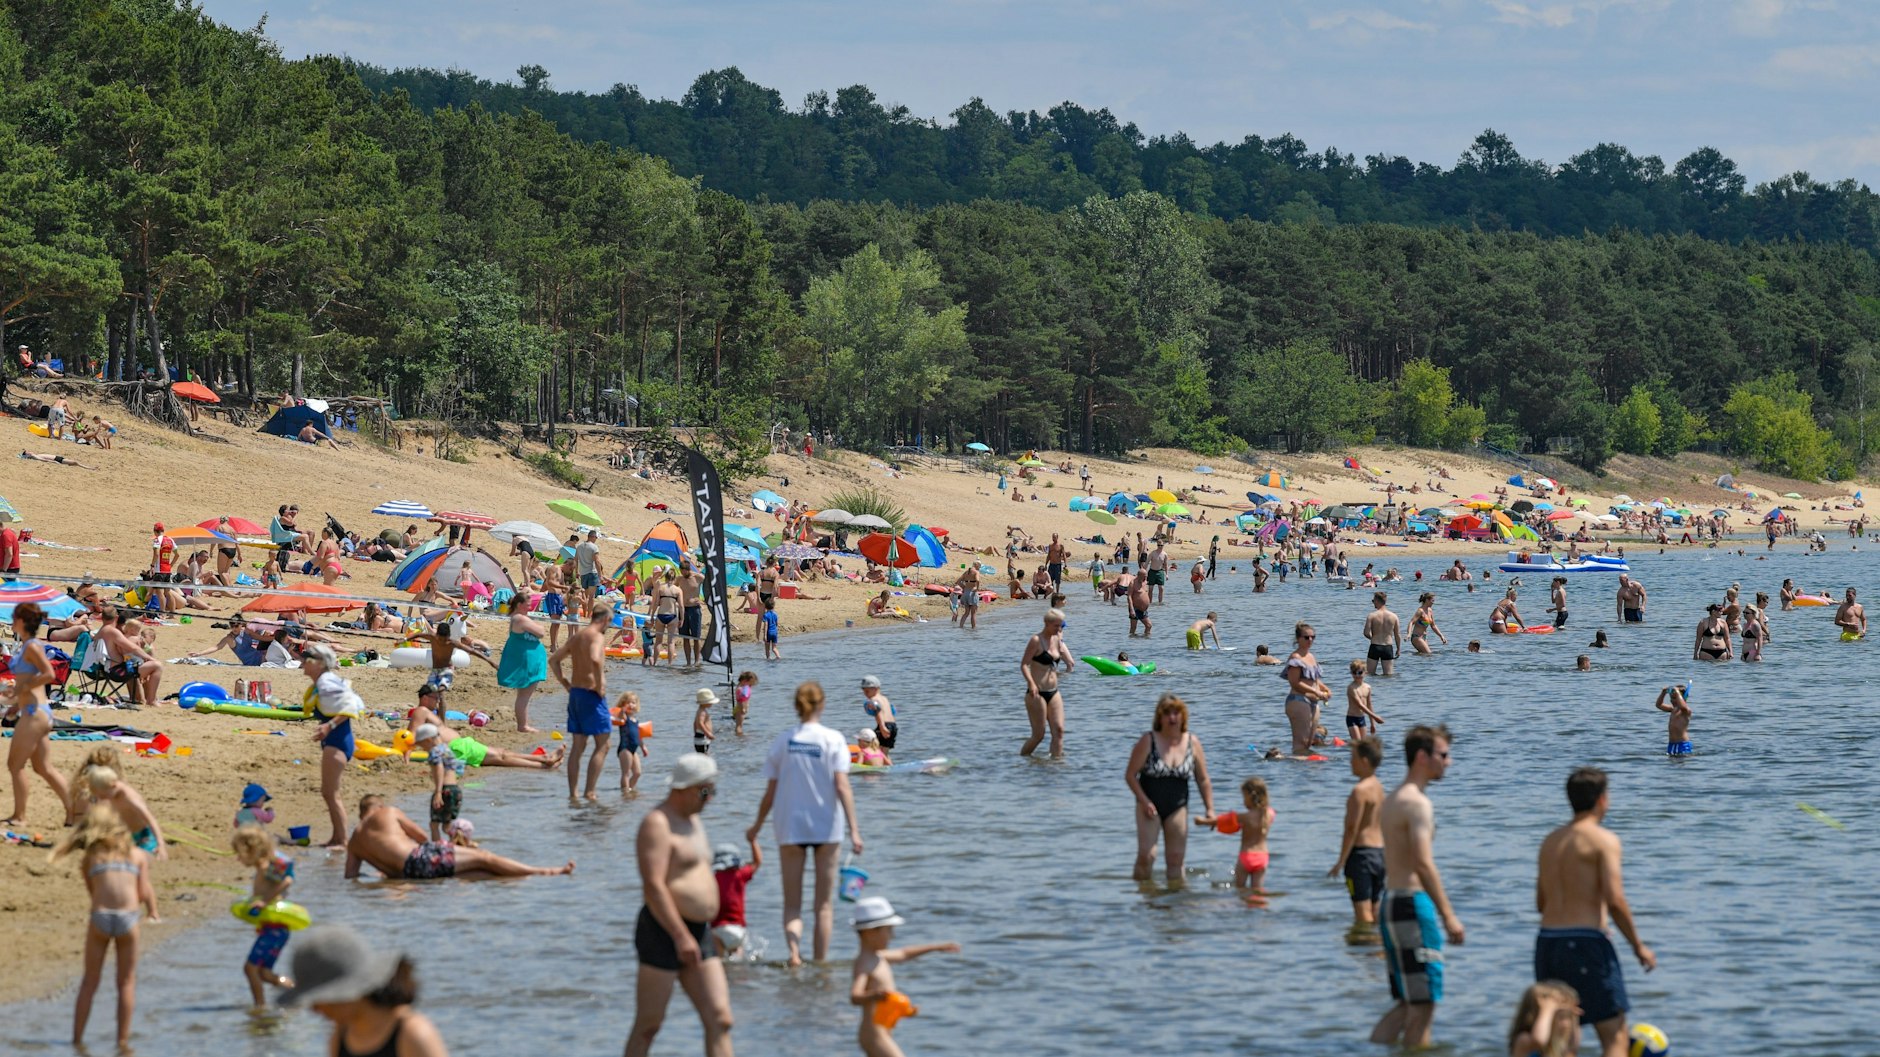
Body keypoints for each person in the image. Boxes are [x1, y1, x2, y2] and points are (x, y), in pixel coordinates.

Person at [1534, 767, 1656, 1057]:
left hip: (1548, 944)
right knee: (1615, 1037)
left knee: (1561, 1041)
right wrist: (1638, 946)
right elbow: (1615, 900)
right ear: (1602, 799)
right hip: (1587, 944)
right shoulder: (1604, 840)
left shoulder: (1550, 841)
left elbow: (1541, 904)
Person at [626, 753, 735, 1057]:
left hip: (700, 931)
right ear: (683, 788)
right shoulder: (657, 824)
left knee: (720, 1018)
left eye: (712, 791)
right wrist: (679, 935)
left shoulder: (694, 821)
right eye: (705, 791)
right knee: (650, 1024)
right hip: (663, 930)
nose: (709, 798)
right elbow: (653, 885)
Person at [747, 682, 863, 967]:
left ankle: (795, 956)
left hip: (790, 827)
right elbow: (842, 787)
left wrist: (756, 827)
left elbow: (770, 794)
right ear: (822, 705)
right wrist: (855, 831)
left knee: (792, 904)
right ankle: (821, 965)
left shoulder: (784, 741)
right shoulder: (833, 739)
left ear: (796, 706)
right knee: (823, 906)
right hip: (827, 828)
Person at [1371, 725, 1464, 1050]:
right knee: (1423, 1004)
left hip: (1391, 903)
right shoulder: (1417, 804)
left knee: (1408, 1002)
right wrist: (1449, 916)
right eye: (1443, 755)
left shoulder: (1394, 798)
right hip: (1411, 905)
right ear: (1422, 757)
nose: (1448, 762)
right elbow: (1423, 863)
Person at [54, 806, 156, 1049]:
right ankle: (122, 1042)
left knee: (90, 981)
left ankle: (77, 1041)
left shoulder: (91, 857)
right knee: (126, 982)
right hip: (128, 918)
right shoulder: (138, 855)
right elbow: (143, 892)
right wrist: (151, 911)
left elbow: (92, 891)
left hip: (100, 917)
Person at [277, 925, 450, 1057]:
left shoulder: (414, 1034)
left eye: (319, 998)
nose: (314, 1009)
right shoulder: (342, 1035)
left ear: (348, 992)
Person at [345, 795, 572, 881]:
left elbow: (351, 876)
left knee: (478, 873)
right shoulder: (388, 812)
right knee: (485, 857)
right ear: (379, 806)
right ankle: (544, 872)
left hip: (408, 874)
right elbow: (423, 836)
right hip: (418, 857)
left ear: (361, 813)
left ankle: (518, 879)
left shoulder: (353, 842)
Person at [850, 896, 960, 1057]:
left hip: (882, 1030)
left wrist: (936, 947)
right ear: (869, 932)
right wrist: (874, 996)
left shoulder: (879, 956)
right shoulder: (864, 963)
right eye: (888, 930)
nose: (892, 936)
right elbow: (855, 996)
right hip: (873, 1034)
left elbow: (904, 953)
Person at [1123, 694, 1216, 884]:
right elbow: (1130, 775)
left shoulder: (1192, 742)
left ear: (1183, 716)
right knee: (1147, 856)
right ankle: (1143, 897)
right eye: (1167, 714)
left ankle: (1175, 905)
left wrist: (1210, 809)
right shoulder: (1148, 741)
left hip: (1178, 806)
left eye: (1176, 713)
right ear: (1159, 717)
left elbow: (1203, 779)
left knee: (1175, 860)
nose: (1172, 718)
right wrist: (1144, 801)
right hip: (1149, 805)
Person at [6, 603, 72, 827]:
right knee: (43, 768)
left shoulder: (33, 646)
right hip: (34, 711)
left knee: (15, 765)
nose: (12, 622)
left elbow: (49, 673)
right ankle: (74, 813)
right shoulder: (27, 646)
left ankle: (20, 816)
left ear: (23, 621)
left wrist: (23, 690)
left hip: (34, 714)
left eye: (14, 618)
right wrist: (16, 702)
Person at [549, 607, 615, 801]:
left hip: (576, 693)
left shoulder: (578, 636)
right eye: (609, 624)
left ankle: (573, 795)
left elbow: (554, 660)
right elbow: (595, 659)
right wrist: (599, 684)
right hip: (591, 694)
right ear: (604, 620)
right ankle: (589, 792)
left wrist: (566, 684)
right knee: (603, 744)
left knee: (578, 746)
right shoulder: (596, 636)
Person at [302, 645, 362, 848]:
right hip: (336, 741)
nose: (303, 662)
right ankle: (336, 838)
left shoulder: (327, 682)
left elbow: (350, 706)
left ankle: (343, 839)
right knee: (328, 793)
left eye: (307, 659)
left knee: (331, 794)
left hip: (337, 742)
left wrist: (329, 726)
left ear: (319, 664)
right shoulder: (325, 681)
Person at [231, 826, 295, 1007]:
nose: (237, 858)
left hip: (275, 929)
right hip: (271, 928)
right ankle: (297, 993)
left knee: (250, 968)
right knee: (264, 974)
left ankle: (259, 1009)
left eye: (240, 853)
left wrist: (265, 901)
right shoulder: (262, 868)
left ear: (251, 850)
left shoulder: (268, 867)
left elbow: (287, 880)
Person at [1329, 735, 1387, 926]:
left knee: (1362, 915)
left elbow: (1351, 828)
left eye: (1352, 757)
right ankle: (1379, 951)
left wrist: (1341, 861)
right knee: (1376, 910)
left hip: (1361, 856)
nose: (1350, 762)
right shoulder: (1379, 787)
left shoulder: (1359, 791)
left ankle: (1364, 952)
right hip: (1380, 854)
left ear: (1364, 761)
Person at [493, 594, 550, 732]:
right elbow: (541, 632)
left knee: (524, 695)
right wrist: (538, 625)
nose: (531, 606)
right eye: (528, 604)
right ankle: (523, 726)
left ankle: (523, 724)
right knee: (524, 695)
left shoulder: (519, 617)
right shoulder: (519, 618)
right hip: (526, 661)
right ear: (519, 605)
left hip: (528, 659)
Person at [1019, 609, 1072, 758]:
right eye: (1056, 626)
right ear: (1046, 623)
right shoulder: (1036, 640)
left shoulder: (1057, 640)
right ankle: (1022, 760)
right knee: (1039, 735)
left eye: (1061, 625)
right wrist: (1031, 684)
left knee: (1059, 731)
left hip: (1054, 691)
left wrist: (1069, 663)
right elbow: (1024, 665)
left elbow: (1065, 659)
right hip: (1037, 693)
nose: (1059, 629)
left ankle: (1056, 767)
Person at [1281, 623, 1332, 757]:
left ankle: (1308, 774)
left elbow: (1313, 679)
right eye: (1306, 637)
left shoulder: (1311, 656)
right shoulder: (1295, 658)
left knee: (1309, 742)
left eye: (1313, 637)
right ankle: (1297, 772)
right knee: (1301, 743)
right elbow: (1295, 682)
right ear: (1298, 639)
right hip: (1298, 701)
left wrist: (1325, 689)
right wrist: (1317, 692)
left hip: (1314, 703)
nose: (1310, 640)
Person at [711, 836, 762, 957]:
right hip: (738, 929)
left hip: (718, 929)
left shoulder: (712, 878)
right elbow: (757, 862)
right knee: (738, 958)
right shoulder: (740, 875)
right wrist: (753, 841)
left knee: (720, 962)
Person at [1507, 981, 1582, 1057]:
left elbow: (1574, 1046)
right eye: (1562, 1017)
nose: (1566, 1024)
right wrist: (1548, 1009)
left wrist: (1575, 1021)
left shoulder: (1561, 1046)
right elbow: (1539, 1041)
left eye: (1569, 1016)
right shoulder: (1524, 1040)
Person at [1228, 777, 1273, 892]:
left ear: (1250, 797)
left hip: (1246, 857)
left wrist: (1202, 821)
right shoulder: (1269, 814)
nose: (1243, 801)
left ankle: (1243, 909)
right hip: (1262, 857)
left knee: (1239, 890)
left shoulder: (1244, 817)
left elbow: (1221, 821)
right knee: (1258, 891)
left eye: (1244, 797)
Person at [1345, 661, 1384, 744]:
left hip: (1361, 718)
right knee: (1357, 743)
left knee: (1363, 744)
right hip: (1352, 718)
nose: (1357, 675)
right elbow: (1360, 705)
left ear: (1365, 673)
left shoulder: (1368, 687)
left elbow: (1369, 705)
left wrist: (1372, 724)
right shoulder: (1351, 688)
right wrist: (1375, 717)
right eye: (1354, 673)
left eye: (1359, 672)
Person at [1364, 592, 1402, 675]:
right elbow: (1397, 635)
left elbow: (1366, 633)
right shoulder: (1394, 616)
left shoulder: (1372, 616)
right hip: (1387, 648)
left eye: (1373, 601)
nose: (1373, 603)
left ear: (1377, 601)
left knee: (1370, 674)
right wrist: (1398, 649)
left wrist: (1373, 638)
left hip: (1375, 646)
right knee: (1388, 675)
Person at [860, 675, 897, 750]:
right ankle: (887, 761)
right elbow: (892, 711)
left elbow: (878, 712)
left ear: (876, 689)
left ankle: (873, 760)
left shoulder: (874, 700)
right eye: (864, 691)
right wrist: (892, 727)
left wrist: (882, 727)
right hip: (893, 725)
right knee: (885, 749)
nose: (865, 694)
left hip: (884, 725)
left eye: (867, 691)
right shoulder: (884, 698)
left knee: (873, 746)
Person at [1654, 685, 1693, 755]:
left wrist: (1677, 692)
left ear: (1684, 698)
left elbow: (1683, 707)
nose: (1672, 700)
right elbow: (1658, 705)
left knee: (1681, 763)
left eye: (1675, 698)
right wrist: (1663, 693)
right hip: (1671, 744)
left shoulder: (1686, 711)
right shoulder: (1672, 709)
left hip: (1682, 744)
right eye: (1671, 698)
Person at [1127, 565, 1153, 637]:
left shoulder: (1145, 582)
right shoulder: (1133, 583)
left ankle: (1145, 641)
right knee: (1133, 628)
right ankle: (1131, 643)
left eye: (1146, 576)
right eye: (1144, 576)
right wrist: (1131, 609)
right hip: (1135, 608)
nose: (1145, 578)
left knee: (1149, 625)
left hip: (1143, 610)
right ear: (1138, 575)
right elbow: (1129, 596)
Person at [953, 564, 981, 630]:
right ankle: (973, 629)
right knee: (973, 614)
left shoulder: (966, 572)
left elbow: (958, 581)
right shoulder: (976, 572)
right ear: (977, 566)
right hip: (972, 593)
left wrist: (964, 587)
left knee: (966, 613)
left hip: (965, 593)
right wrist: (977, 588)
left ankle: (961, 627)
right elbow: (977, 580)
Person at [693, 688, 718, 755]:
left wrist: (696, 734)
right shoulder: (702, 712)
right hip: (703, 738)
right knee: (704, 755)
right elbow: (700, 723)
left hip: (699, 736)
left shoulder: (700, 710)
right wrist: (708, 733)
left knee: (702, 754)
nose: (712, 703)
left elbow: (695, 723)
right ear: (705, 702)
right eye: (711, 702)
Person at [733, 671, 757, 736]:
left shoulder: (742, 686)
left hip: (739, 708)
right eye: (751, 683)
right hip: (740, 709)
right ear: (745, 680)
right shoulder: (740, 689)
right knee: (739, 726)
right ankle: (740, 737)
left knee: (739, 725)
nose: (751, 685)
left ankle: (739, 736)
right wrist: (743, 708)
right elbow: (741, 700)